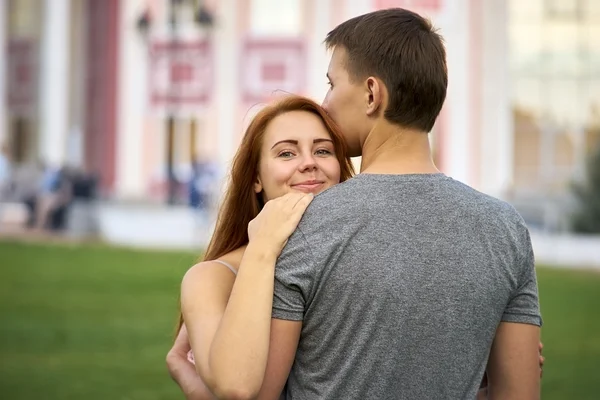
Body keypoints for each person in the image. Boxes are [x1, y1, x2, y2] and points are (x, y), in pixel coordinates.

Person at [169, 8, 544, 400]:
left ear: (371, 94)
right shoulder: (507, 228)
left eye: (331, 84)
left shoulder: (303, 225)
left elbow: (250, 392)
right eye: (285, 153)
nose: (326, 103)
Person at [168, 95, 355, 399]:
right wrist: (263, 247)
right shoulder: (211, 278)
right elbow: (236, 388)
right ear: (256, 177)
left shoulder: (354, 254)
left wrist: (186, 377)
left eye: (322, 150)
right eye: (286, 153)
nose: (309, 163)